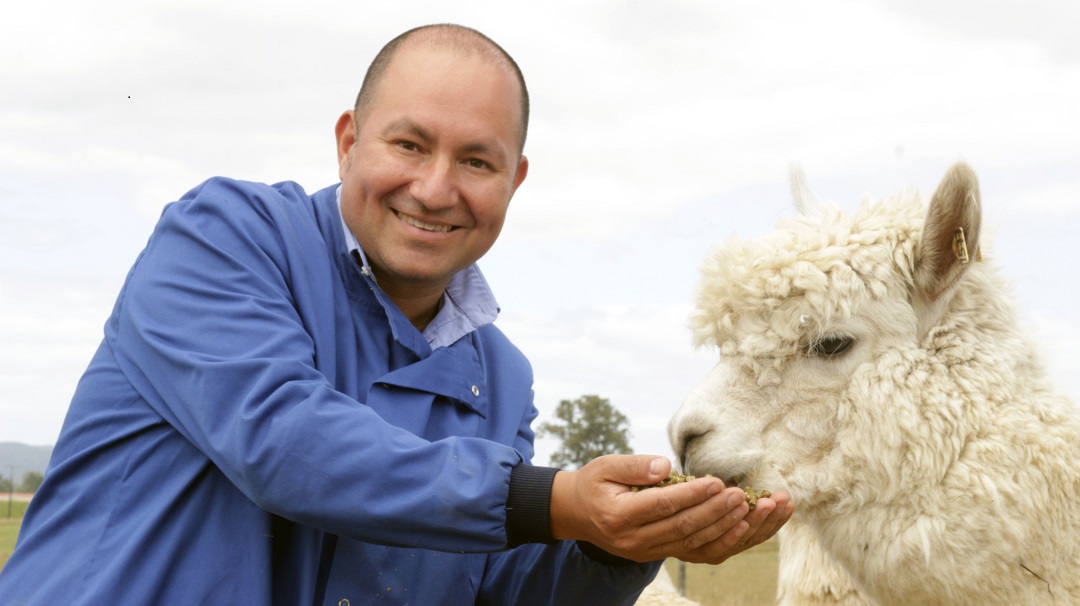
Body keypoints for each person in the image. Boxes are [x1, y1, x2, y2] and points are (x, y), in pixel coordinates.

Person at [0, 23, 792, 605]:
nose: (437, 187)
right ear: (348, 142)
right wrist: (550, 500)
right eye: (409, 145)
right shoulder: (222, 240)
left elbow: (495, 587)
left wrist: (617, 544)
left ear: (514, 181)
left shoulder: (501, 376)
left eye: (476, 161)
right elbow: (285, 442)